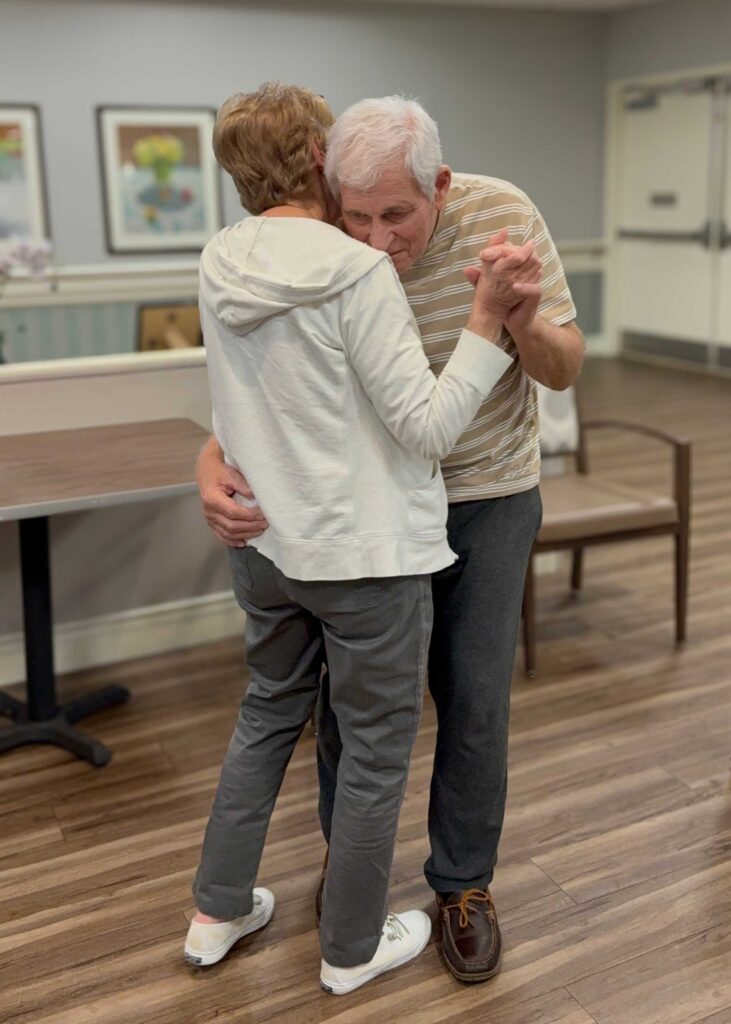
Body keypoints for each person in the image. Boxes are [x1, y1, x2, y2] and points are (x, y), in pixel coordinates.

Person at [196, 94, 585, 984]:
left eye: (396, 217)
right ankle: (354, 881)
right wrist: (207, 459)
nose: (373, 237)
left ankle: (461, 886)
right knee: (351, 718)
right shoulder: (320, 229)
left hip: (482, 496)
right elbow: (265, 380)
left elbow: (562, 368)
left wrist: (512, 313)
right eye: (355, 213)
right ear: (327, 185)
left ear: (439, 188)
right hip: (368, 522)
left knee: (473, 704)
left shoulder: (503, 214)